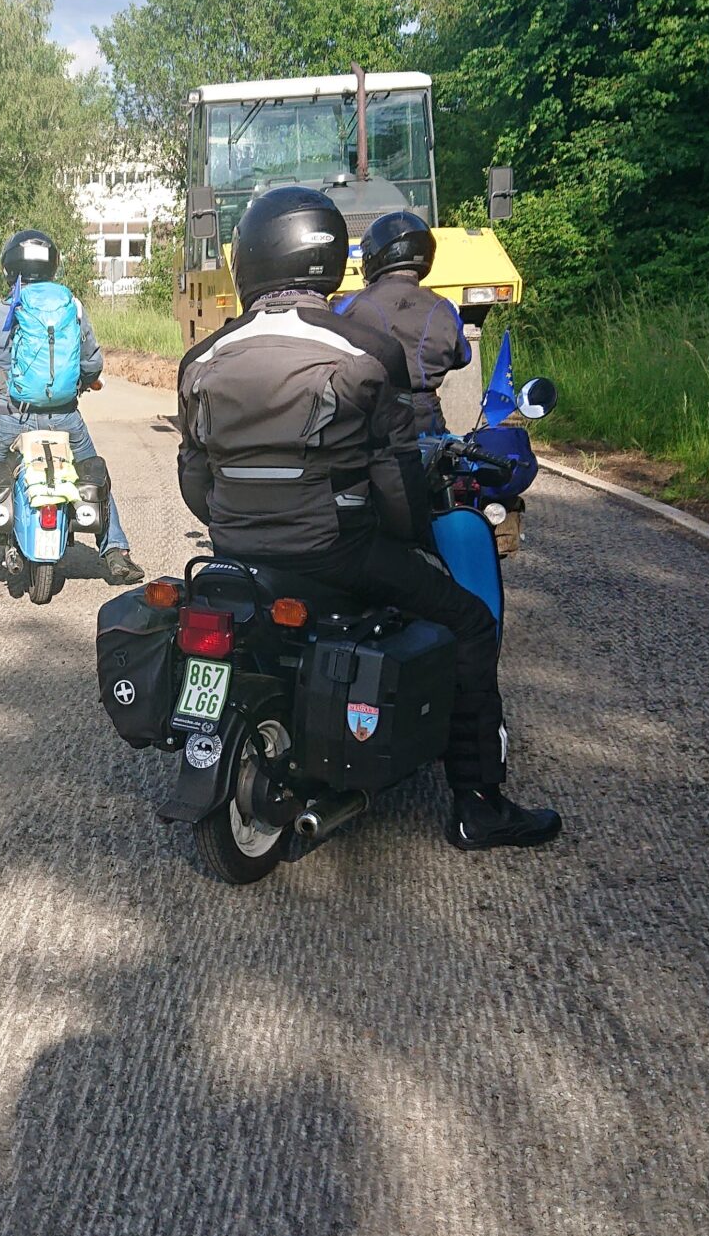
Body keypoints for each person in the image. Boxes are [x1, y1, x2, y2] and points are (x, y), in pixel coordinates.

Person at [175, 187, 559, 850]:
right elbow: (396, 475)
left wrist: (243, 527)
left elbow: (194, 479)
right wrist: (415, 539)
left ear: (250, 260)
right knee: (466, 619)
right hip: (337, 550)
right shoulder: (363, 349)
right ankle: (479, 804)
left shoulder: (200, 358)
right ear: (327, 260)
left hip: (235, 549)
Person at [0, 230, 145, 588]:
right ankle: (115, 551)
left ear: (9, 269)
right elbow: (92, 365)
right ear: (52, 267)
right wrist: (80, 384)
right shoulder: (73, 308)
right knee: (91, 471)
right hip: (66, 417)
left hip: (11, 419)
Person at [338, 211, 471, 434]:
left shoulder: (350, 303)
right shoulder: (444, 306)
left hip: (374, 416)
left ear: (376, 254)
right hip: (427, 417)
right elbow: (463, 356)